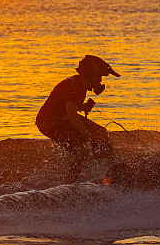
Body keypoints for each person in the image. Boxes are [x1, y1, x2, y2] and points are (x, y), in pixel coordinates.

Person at [36, 55, 127, 184]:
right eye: (100, 77)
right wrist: (87, 136)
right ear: (92, 75)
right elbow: (72, 115)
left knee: (101, 132)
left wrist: (83, 107)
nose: (100, 81)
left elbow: (69, 107)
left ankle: (115, 170)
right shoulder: (76, 87)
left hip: (63, 117)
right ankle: (69, 185)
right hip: (49, 122)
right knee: (81, 152)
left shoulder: (80, 84)